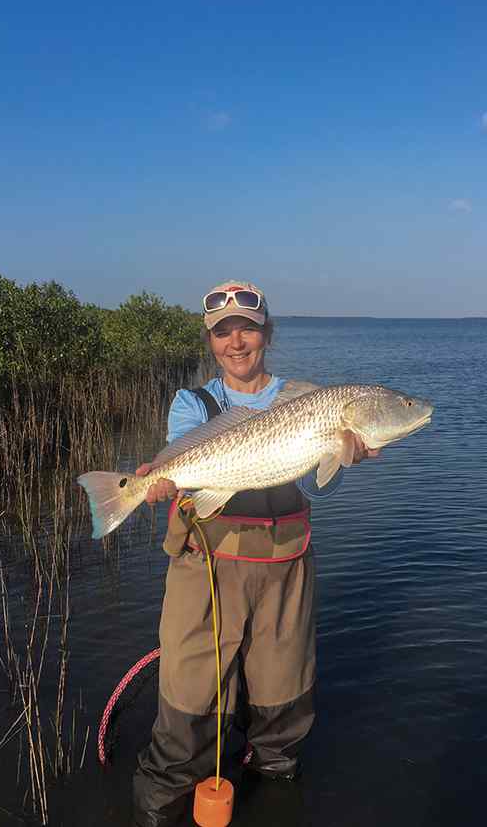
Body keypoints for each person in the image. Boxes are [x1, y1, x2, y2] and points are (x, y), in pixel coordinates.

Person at [132, 281, 379, 826]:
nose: (236, 341)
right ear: (210, 341)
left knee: (282, 689)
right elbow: (188, 475)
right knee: (192, 693)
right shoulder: (192, 403)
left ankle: (275, 783)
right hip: (208, 566)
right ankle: (165, 798)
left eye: (247, 327)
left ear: (268, 333)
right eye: (223, 332)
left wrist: (343, 455)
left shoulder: (308, 399)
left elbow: (318, 488)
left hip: (284, 563)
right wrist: (158, 482)